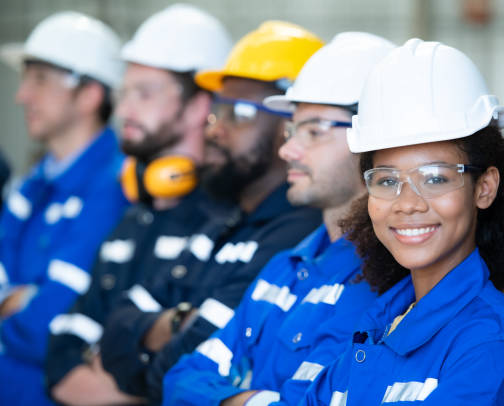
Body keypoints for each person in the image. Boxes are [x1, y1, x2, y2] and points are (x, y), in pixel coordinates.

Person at [301, 38, 504, 405]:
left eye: (436, 178)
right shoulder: (382, 319)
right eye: (388, 181)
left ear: (484, 188)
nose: (408, 204)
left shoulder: (491, 348)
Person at [161, 32, 396, 406]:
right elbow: (178, 381)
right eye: (291, 130)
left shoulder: (386, 278)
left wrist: (230, 394)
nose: (287, 149)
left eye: (314, 131)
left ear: (374, 138)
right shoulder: (286, 264)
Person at [96, 21, 324, 401]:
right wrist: (180, 322)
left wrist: (155, 332)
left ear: (292, 125)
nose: (215, 130)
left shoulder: (297, 233)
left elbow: (169, 377)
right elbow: (117, 330)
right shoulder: (216, 218)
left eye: (240, 113)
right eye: (218, 111)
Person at [45, 5, 235, 405]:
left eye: (144, 93)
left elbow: (185, 372)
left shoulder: (229, 220)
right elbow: (60, 355)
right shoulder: (133, 216)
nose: (125, 110)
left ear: (201, 105)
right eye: (124, 93)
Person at [0, 11, 128, 405]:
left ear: (89, 94)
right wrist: (18, 298)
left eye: (39, 79)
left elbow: (49, 328)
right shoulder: (36, 180)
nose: (23, 95)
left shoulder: (115, 187)